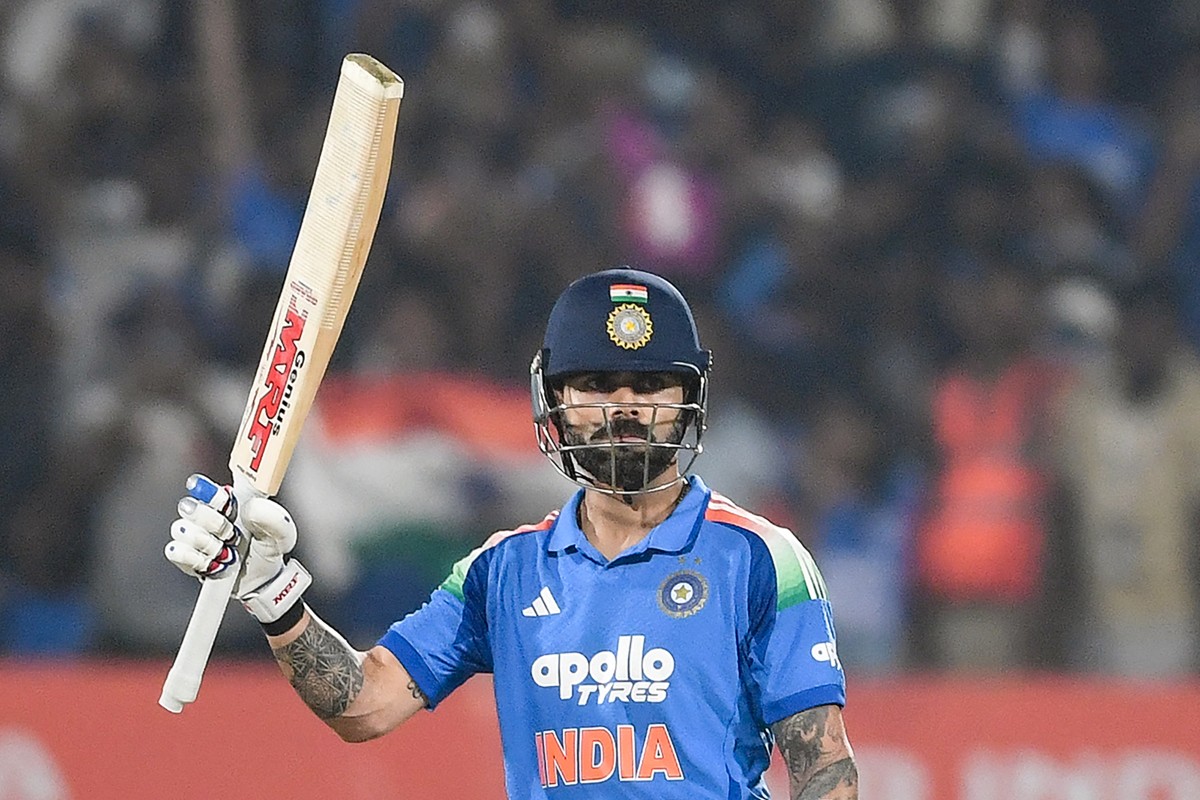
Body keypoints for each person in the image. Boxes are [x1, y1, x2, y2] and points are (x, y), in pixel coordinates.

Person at [165, 267, 858, 798]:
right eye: (596, 384)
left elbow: (824, 767)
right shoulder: (503, 572)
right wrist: (271, 593)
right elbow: (364, 705)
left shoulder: (762, 560)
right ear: (553, 402)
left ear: (688, 402)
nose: (624, 407)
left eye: (650, 386)